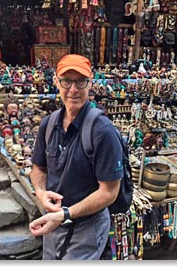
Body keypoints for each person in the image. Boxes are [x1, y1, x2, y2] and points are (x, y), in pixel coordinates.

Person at [29, 54, 123, 260]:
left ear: (90, 83)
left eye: (81, 81)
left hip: (87, 227)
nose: (73, 89)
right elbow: (38, 169)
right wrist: (41, 192)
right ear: (56, 81)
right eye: (67, 81)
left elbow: (109, 192)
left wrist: (66, 214)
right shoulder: (48, 124)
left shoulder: (102, 132)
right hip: (54, 220)